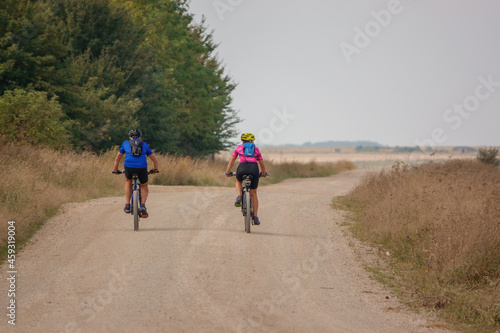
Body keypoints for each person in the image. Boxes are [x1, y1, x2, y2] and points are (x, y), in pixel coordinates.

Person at [113, 129, 159, 218]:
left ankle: (127, 205)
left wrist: (115, 170)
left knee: (128, 180)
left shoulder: (125, 143)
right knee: (144, 185)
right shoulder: (144, 144)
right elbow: (154, 160)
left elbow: (117, 158)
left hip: (129, 167)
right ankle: (142, 206)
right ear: (140, 137)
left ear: (129, 137)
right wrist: (155, 169)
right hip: (142, 167)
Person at [225, 133, 267, 225]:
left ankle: (239, 195)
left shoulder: (239, 148)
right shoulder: (255, 149)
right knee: (254, 193)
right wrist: (263, 173)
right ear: (251, 141)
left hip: (242, 168)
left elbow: (232, 161)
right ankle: (255, 217)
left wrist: (228, 172)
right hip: (254, 169)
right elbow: (262, 163)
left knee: (238, 180)